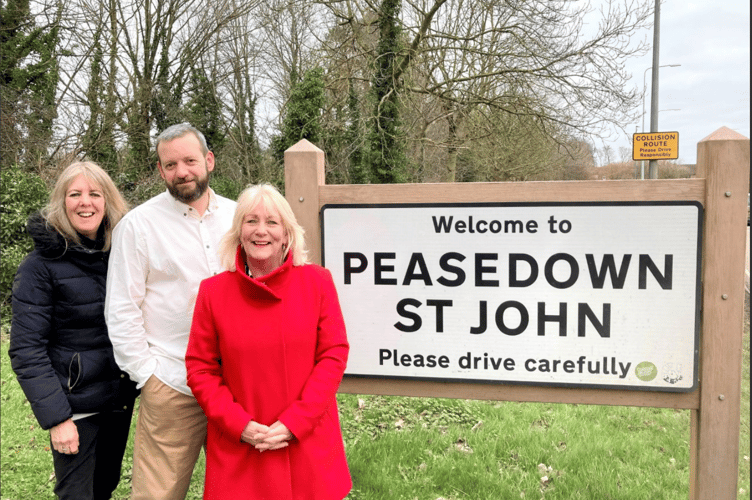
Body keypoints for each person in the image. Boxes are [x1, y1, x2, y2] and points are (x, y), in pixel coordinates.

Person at [185, 183, 352, 499]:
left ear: (287, 234)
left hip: (306, 443)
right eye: (251, 221)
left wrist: (295, 422)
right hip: (243, 447)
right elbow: (200, 369)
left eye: (272, 222)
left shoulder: (317, 283)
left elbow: (333, 354)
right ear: (239, 232)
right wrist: (240, 425)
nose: (261, 231)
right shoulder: (213, 293)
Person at [104, 123, 236, 500]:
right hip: (173, 381)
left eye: (190, 160)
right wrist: (148, 376)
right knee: (157, 494)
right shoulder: (139, 226)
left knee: (242, 489)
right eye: (171, 164)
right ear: (160, 171)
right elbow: (121, 308)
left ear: (209, 161)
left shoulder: (240, 216)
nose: (182, 171)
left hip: (238, 383)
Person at [9, 161, 138, 500]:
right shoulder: (39, 267)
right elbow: (27, 349)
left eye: (95, 194)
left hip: (116, 401)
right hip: (75, 407)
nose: (86, 202)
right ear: (61, 201)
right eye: (75, 194)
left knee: (104, 487)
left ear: (108, 201)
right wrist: (58, 419)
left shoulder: (121, 255)